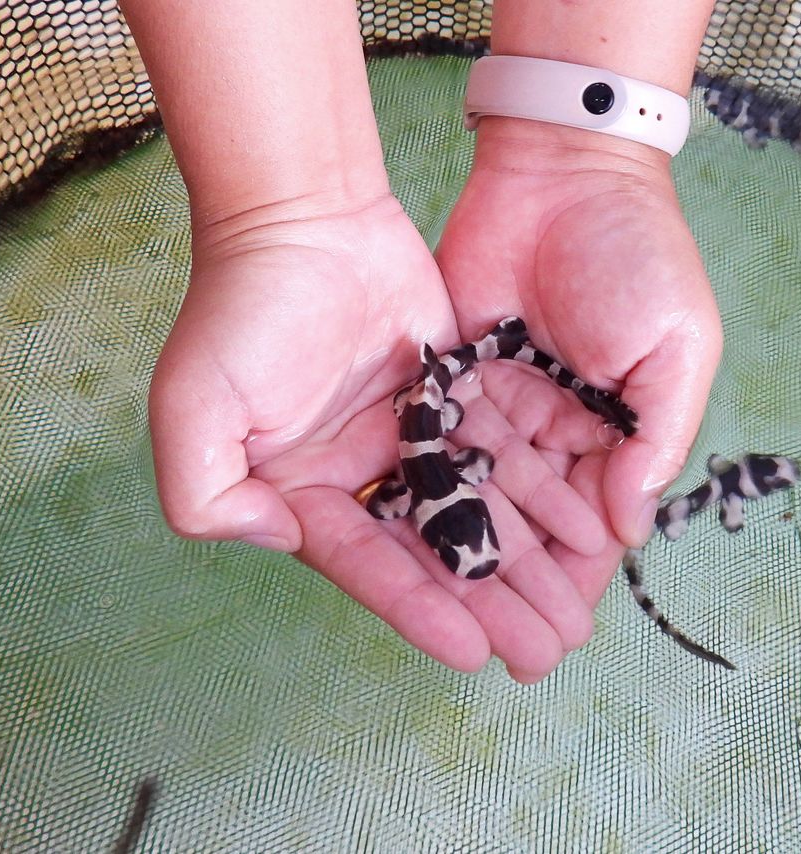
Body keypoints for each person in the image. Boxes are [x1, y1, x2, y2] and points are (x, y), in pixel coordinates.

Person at [118, 0, 723, 683]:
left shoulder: (449, 468)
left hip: (439, 410)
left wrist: (587, 156)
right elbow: (395, 500)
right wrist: (279, 216)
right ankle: (501, 348)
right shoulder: (413, 479)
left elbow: (443, 479)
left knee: (473, 381)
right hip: (431, 407)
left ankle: (502, 347)